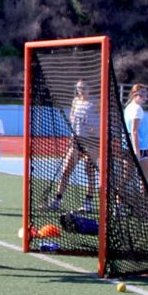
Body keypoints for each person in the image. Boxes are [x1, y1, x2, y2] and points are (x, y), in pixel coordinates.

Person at [46, 79, 97, 212]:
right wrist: (72, 136)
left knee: (89, 171)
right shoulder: (75, 101)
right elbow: (73, 119)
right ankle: (57, 200)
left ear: (89, 88)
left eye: (84, 87)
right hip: (77, 140)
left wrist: (94, 130)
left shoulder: (95, 103)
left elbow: (99, 122)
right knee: (66, 170)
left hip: (91, 141)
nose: (81, 90)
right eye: (79, 87)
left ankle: (88, 203)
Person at [124, 84, 148, 184]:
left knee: (127, 175)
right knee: (144, 178)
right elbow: (134, 131)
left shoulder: (129, 107)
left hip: (128, 145)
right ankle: (145, 199)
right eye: (142, 93)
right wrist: (137, 151)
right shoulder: (137, 109)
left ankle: (118, 197)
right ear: (135, 94)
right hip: (140, 148)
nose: (145, 97)